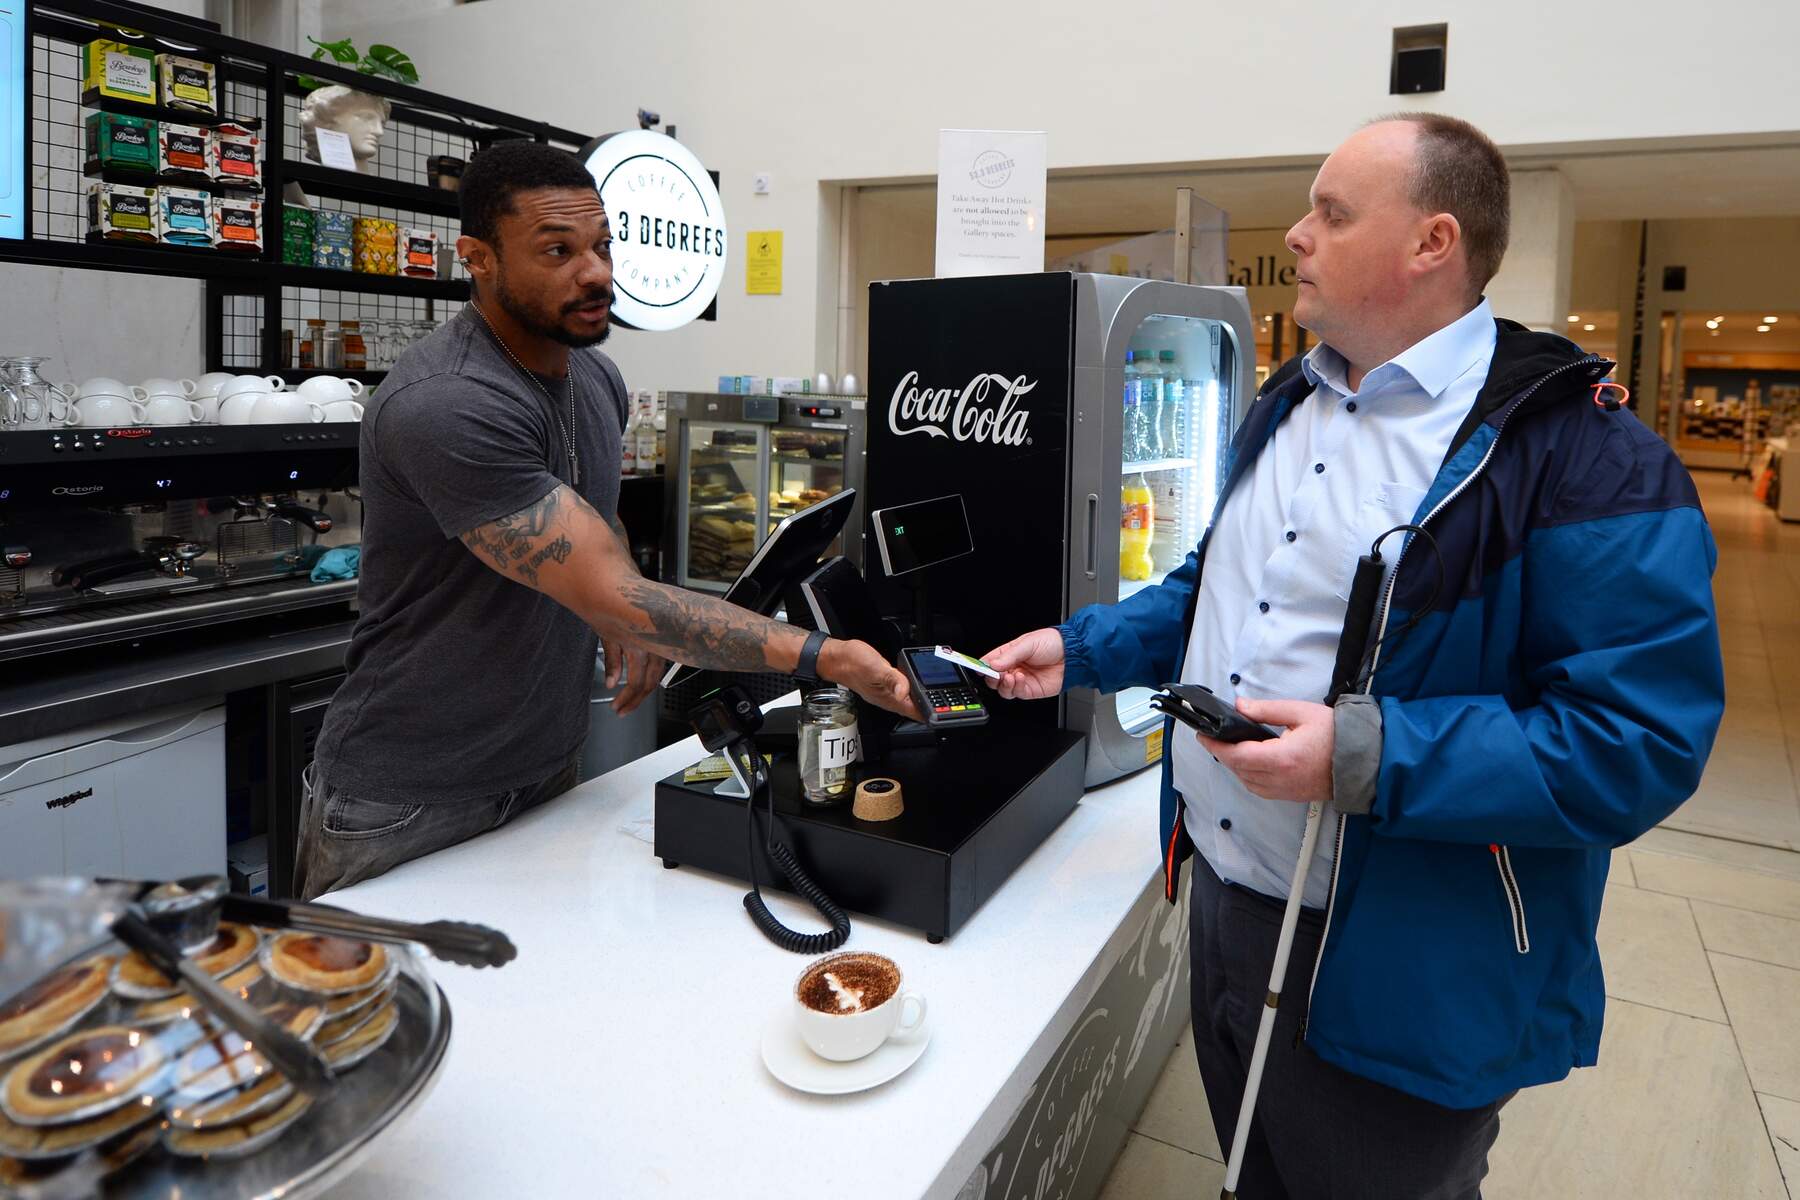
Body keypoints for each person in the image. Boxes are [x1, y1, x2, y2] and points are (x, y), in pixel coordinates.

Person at [982, 114, 1723, 1199]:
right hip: (1224, 900)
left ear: (1432, 243)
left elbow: (1636, 741)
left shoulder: (1589, 459)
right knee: (1255, 1174)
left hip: (1407, 954)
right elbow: (1219, 592)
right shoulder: (1287, 401)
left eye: (1331, 213)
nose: (1295, 236)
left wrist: (1367, 756)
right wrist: (1082, 646)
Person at [297, 141, 915, 900]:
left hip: (546, 766)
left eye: (601, 246)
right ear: (478, 259)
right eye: (557, 251)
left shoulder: (595, 374)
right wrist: (828, 657)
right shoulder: (449, 402)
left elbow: (597, 518)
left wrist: (618, 601)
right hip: (408, 798)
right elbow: (614, 592)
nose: (595, 273)